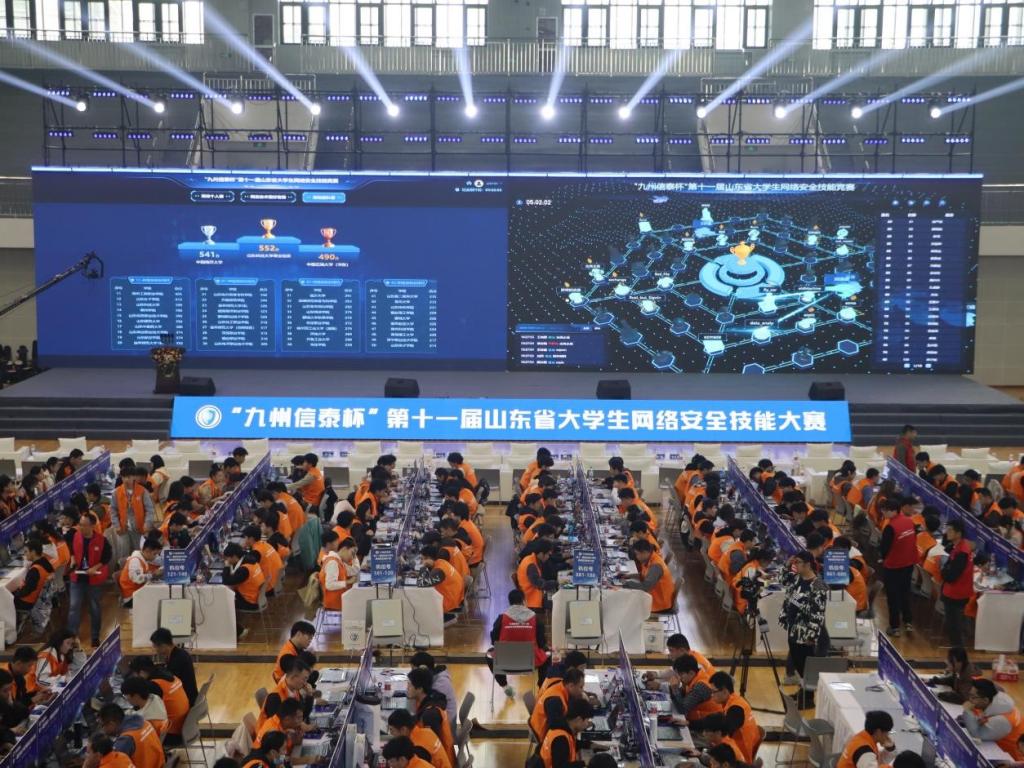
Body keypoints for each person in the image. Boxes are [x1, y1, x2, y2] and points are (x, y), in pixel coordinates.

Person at [488, 588, 549, 698]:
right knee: (548, 656)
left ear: (510, 603)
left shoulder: (501, 618)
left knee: (489, 655)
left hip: (505, 661)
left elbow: (494, 641)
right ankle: (541, 689)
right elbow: (541, 643)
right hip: (529, 662)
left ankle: (505, 686)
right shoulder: (535, 619)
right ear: (524, 601)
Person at [779, 551, 827, 683]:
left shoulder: (818, 585)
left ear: (808, 565)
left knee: (805, 667)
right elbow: (782, 579)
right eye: (795, 562)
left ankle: (808, 692)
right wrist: (787, 564)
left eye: (798, 562)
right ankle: (803, 691)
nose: (795, 565)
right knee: (797, 661)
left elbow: (818, 613)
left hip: (805, 633)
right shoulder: (797, 578)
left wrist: (811, 636)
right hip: (793, 628)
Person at [691, 671, 760, 763]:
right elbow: (716, 723)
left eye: (713, 692)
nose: (711, 695)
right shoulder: (735, 701)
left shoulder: (735, 710)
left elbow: (719, 728)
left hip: (737, 759)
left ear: (724, 692)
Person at [66, 512, 112, 647]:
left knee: (94, 608)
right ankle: (71, 637)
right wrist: (72, 558)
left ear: (92, 526)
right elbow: (70, 548)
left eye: (84, 525)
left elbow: (107, 556)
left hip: (94, 579)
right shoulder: (75, 535)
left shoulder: (102, 540)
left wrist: (95, 567)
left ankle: (95, 636)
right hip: (77, 577)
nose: (81, 527)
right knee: (74, 607)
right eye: (80, 524)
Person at [129, 655, 190, 743]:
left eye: (134, 674)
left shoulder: (154, 685)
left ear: (141, 672)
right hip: (185, 726)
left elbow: (143, 707)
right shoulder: (166, 673)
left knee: (136, 733)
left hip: (171, 733)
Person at [879, 499, 917, 637]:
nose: (883, 513)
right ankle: (908, 622)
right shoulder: (909, 521)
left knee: (893, 597)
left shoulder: (890, 527)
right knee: (905, 593)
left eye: (885, 510)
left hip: (893, 566)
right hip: (909, 564)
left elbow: (884, 549)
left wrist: (882, 558)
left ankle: (894, 627)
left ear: (893, 510)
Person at [963, 678, 1024, 760]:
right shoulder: (996, 702)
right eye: (969, 695)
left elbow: (977, 734)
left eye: (973, 697)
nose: (969, 700)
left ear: (985, 700)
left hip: (1012, 758)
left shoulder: (1002, 720)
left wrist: (967, 711)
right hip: (999, 746)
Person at [406, 667, 456, 767]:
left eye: (410, 685)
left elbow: (429, 749)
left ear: (420, 689)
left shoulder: (430, 715)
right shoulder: (430, 700)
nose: (407, 688)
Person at [939, 519, 974, 647]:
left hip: (956, 594)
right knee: (954, 625)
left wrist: (943, 570)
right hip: (954, 592)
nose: (946, 532)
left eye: (950, 530)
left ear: (958, 533)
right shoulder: (959, 547)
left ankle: (958, 650)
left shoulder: (962, 552)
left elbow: (951, 576)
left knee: (955, 626)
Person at [99, 702, 166, 768]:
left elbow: (113, 763)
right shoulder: (143, 722)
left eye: (102, 725)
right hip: (161, 763)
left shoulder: (125, 740)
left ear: (111, 724)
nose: (103, 730)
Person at [221, 542, 265, 641]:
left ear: (234, 556)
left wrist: (226, 566)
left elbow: (226, 581)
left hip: (249, 601)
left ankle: (239, 631)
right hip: (255, 596)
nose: (227, 560)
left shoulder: (244, 570)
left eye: (228, 558)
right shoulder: (250, 560)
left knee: (224, 604)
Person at [409, 652, 458, 741]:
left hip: (446, 730)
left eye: (413, 669)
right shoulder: (433, 680)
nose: (412, 672)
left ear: (423, 669)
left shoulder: (439, 686)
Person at [530, 667, 585, 741]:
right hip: (544, 737)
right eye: (581, 687)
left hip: (549, 730)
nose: (582, 691)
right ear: (571, 686)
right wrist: (575, 725)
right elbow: (555, 726)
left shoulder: (561, 685)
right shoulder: (554, 700)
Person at [622, 538, 676, 612]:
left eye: (637, 554)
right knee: (628, 597)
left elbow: (645, 587)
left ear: (644, 553)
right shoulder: (650, 559)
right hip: (655, 597)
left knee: (627, 603)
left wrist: (626, 584)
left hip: (660, 604)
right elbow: (644, 575)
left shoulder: (656, 566)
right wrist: (629, 576)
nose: (636, 557)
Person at [387, 709, 452, 768]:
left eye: (392, 730)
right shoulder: (426, 731)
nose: (391, 734)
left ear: (403, 729)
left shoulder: (418, 749)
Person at [539, 697, 593, 768]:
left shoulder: (562, 726)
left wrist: (593, 745)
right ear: (578, 719)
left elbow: (573, 744)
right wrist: (585, 763)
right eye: (587, 720)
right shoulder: (561, 738)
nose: (588, 724)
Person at [150, 627, 199, 705]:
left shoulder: (178, 659)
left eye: (155, 647)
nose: (155, 650)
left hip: (186, 701)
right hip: (190, 697)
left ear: (163, 646)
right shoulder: (180, 653)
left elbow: (170, 682)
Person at [668, 653, 718, 723]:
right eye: (677, 674)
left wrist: (675, 689)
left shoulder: (701, 686)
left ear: (691, 673)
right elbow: (680, 699)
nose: (679, 678)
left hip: (710, 725)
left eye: (681, 674)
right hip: (699, 721)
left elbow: (683, 709)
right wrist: (673, 688)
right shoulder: (692, 679)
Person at [12, 536, 54, 612]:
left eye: (26, 551)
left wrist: (14, 594)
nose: (24, 554)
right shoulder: (45, 562)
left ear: (33, 552)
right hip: (39, 599)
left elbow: (27, 590)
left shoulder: (35, 570)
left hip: (27, 602)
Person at [118, 536, 163, 606]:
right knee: (158, 598)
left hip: (137, 592)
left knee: (159, 595)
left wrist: (152, 573)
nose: (156, 557)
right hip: (131, 597)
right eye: (155, 554)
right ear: (147, 551)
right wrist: (153, 574)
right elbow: (138, 579)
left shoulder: (143, 559)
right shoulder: (135, 561)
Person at [517, 539, 555, 610]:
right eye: (547, 554)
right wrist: (556, 583)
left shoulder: (531, 559)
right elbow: (540, 585)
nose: (548, 557)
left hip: (533, 595)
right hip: (532, 601)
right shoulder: (531, 565)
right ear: (541, 554)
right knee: (557, 603)